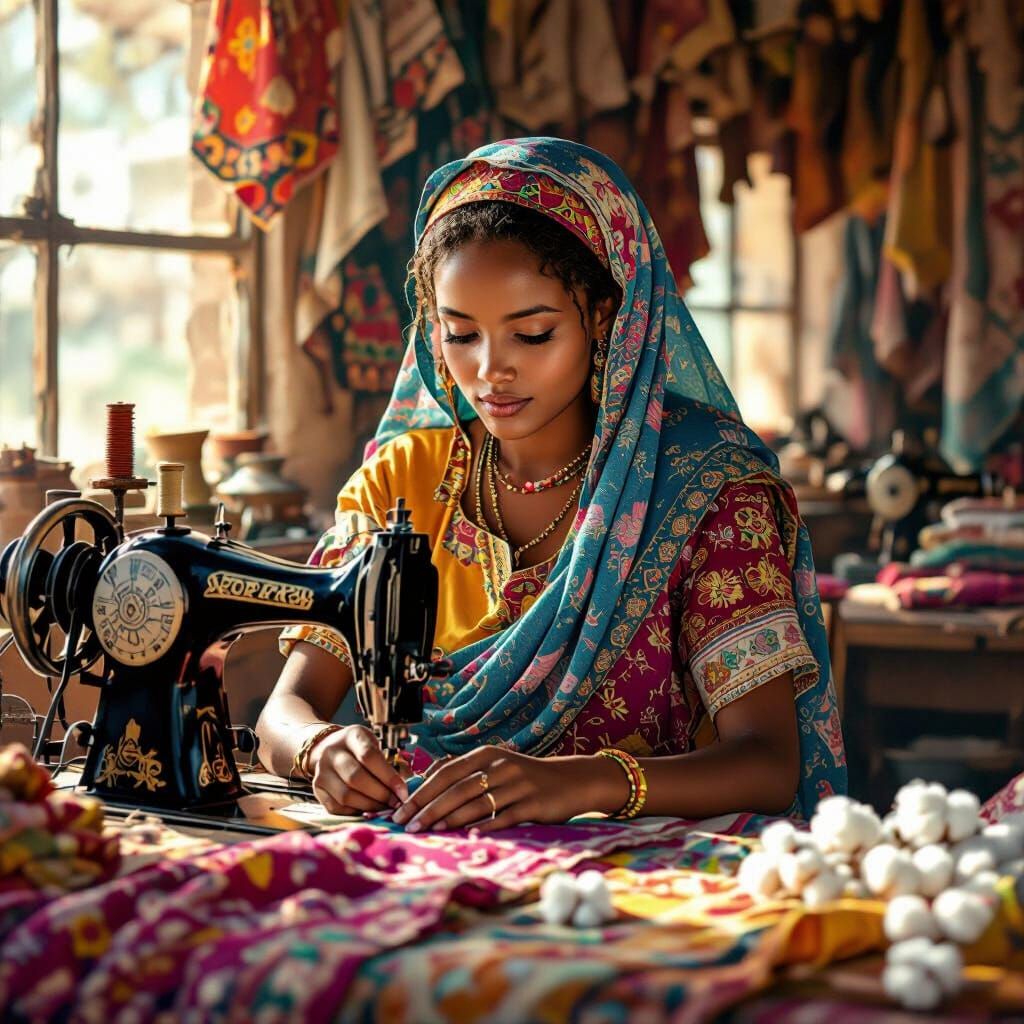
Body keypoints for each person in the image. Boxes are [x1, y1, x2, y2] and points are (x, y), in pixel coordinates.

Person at [256, 137, 846, 832]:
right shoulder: (402, 480)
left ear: (603, 316)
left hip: (642, 880)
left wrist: (579, 785)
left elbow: (768, 764)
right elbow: (282, 714)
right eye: (459, 335)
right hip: (433, 853)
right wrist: (322, 746)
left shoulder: (704, 492)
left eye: (531, 335)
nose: (488, 372)